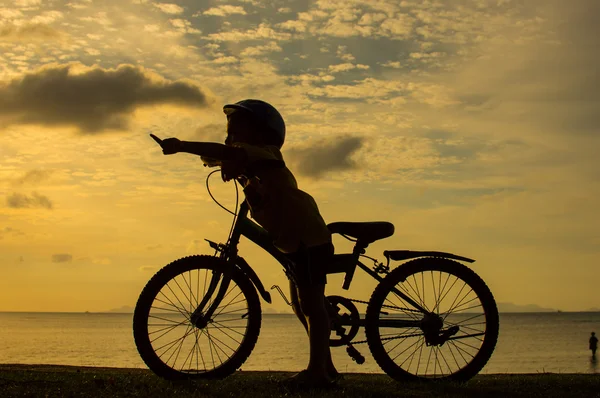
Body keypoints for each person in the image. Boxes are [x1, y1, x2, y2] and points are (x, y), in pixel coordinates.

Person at [151, 99, 338, 387]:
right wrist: (222, 162)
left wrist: (182, 145)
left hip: (307, 236)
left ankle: (318, 373)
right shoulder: (250, 162)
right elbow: (218, 156)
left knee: (313, 306)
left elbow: (222, 151)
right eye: (229, 133)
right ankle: (325, 367)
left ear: (262, 135)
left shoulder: (265, 153)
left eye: (236, 131)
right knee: (302, 307)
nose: (231, 138)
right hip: (290, 239)